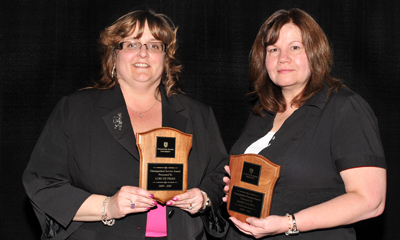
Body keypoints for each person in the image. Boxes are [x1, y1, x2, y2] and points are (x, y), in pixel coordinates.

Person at [23, 10, 228, 240]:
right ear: (114, 55)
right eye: (131, 44)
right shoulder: (76, 110)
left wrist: (204, 197)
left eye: (154, 45)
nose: (143, 53)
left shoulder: (198, 114)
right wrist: (107, 206)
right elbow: (41, 183)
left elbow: (220, 172)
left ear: (166, 57)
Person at [223, 8, 386, 239]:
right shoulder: (262, 112)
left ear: (315, 52)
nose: (283, 58)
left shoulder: (345, 107)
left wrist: (288, 223)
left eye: (295, 47)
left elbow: (370, 201)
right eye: (273, 49)